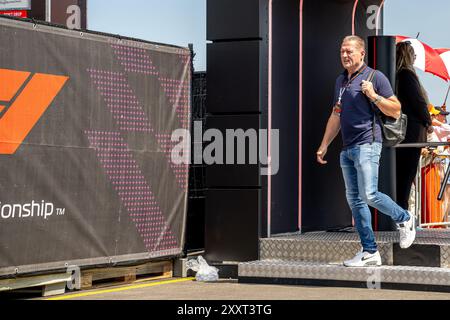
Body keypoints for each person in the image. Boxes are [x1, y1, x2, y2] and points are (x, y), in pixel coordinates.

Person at [316, 35, 416, 268]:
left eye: (350, 51)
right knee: (355, 201)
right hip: (347, 148)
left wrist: (374, 95)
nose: (345, 55)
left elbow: (395, 109)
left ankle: (405, 218)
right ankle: (370, 251)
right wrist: (324, 144)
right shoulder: (341, 81)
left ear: (362, 53)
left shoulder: (375, 77)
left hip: (368, 144)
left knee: (369, 194)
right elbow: (336, 114)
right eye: (342, 51)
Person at [395, 41, 433, 212]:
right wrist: (429, 122)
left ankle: (399, 212)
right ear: (408, 56)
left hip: (405, 133)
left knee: (403, 176)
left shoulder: (397, 75)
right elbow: (418, 102)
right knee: (406, 176)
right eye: (413, 54)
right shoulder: (406, 75)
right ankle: (401, 215)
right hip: (411, 134)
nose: (416, 57)